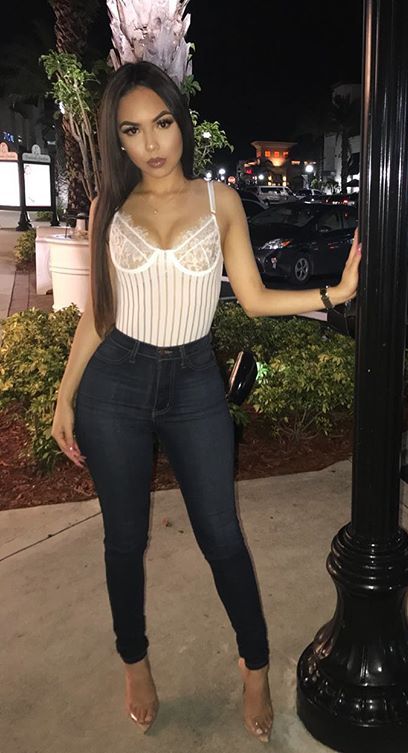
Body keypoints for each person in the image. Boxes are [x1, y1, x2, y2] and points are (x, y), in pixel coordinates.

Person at [50, 61, 360, 742]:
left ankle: (255, 665)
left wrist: (332, 293)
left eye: (161, 122)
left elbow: (250, 297)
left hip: (193, 382)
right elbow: (98, 316)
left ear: (179, 124)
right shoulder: (109, 208)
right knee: (123, 540)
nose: (151, 142)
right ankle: (135, 661)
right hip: (116, 383)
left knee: (222, 536)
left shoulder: (220, 201)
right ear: (118, 140)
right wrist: (65, 395)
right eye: (132, 130)